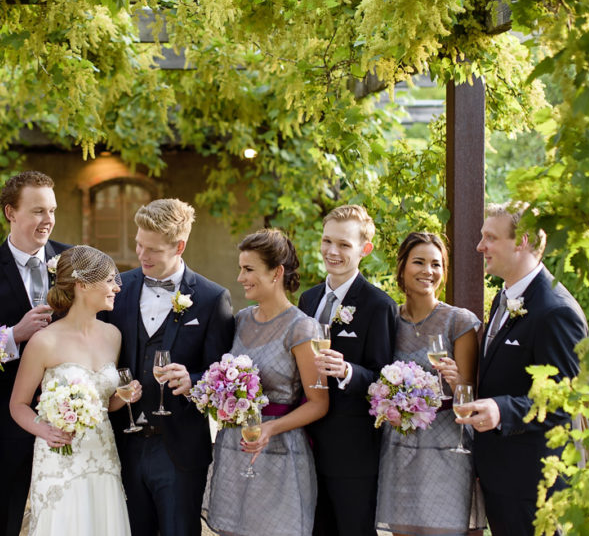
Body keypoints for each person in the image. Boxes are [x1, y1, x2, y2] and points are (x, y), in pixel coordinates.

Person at [104, 198, 235, 536]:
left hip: (179, 451)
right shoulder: (117, 288)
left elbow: (219, 374)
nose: (141, 255)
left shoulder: (211, 298)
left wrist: (192, 380)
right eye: (138, 244)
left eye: (152, 250)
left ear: (179, 246)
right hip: (123, 443)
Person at [455, 203, 587, 536]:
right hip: (503, 477)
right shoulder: (504, 298)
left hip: (536, 486)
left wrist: (500, 410)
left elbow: (562, 401)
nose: (479, 246)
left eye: (490, 237)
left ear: (522, 241)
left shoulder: (556, 311)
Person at [0, 171, 70, 536]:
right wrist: (14, 336)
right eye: (38, 211)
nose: (48, 220)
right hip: (7, 419)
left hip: (70, 417)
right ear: (11, 212)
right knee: (4, 518)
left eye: (51, 210)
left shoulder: (73, 262)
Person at [204, 228, 329, 536]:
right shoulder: (241, 320)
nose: (240, 277)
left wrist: (269, 428)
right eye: (240, 268)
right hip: (235, 448)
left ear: (277, 272)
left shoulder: (302, 329)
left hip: (280, 453)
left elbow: (319, 404)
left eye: (248, 269)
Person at [10, 246, 139, 535]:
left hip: (103, 456)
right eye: (108, 280)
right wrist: (44, 430)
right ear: (82, 285)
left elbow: (104, 405)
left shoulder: (113, 336)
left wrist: (124, 394)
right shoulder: (44, 342)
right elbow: (18, 404)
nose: (117, 287)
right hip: (59, 459)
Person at [374, 232, 484, 535]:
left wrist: (456, 379)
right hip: (399, 448)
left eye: (436, 264)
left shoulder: (458, 322)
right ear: (402, 268)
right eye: (419, 262)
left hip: (446, 446)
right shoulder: (388, 320)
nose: (428, 271)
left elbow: (470, 395)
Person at [298, 204, 397, 536]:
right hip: (308, 445)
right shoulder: (307, 300)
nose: (332, 251)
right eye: (327, 241)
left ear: (364, 250)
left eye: (344, 244)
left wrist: (347, 371)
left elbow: (384, 378)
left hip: (353, 452)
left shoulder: (379, 305)